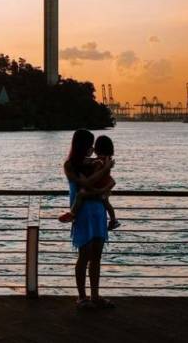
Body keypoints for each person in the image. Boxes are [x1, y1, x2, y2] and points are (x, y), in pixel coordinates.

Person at [63, 129, 116, 309]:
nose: (92, 148)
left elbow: (98, 181)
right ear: (81, 145)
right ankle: (82, 297)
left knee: (97, 256)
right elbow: (85, 183)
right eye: (89, 144)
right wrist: (106, 170)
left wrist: (103, 167)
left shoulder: (93, 163)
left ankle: (95, 295)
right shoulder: (70, 165)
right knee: (84, 255)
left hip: (98, 211)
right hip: (83, 213)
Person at [58, 135, 120, 230]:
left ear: (97, 149)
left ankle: (72, 214)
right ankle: (113, 220)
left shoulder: (98, 162)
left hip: (97, 188)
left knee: (80, 195)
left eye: (94, 146)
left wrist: (98, 184)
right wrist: (106, 186)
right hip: (102, 189)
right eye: (90, 145)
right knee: (107, 203)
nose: (92, 148)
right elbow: (110, 180)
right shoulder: (107, 160)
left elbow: (92, 179)